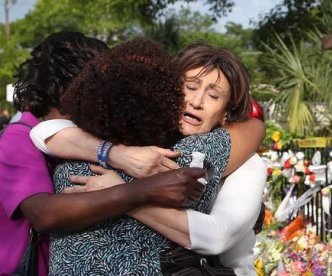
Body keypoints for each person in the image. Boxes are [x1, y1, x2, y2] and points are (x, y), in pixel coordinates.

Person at [32, 42, 266, 275]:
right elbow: (45, 131)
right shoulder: (126, 139)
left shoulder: (241, 162)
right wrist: (116, 155)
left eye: (213, 95)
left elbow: (217, 236)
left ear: (227, 113)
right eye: (190, 87)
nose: (197, 102)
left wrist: (122, 193)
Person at [0, 32, 205, 276]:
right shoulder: (19, 138)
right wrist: (144, 191)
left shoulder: (90, 130)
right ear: (72, 81)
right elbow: (43, 214)